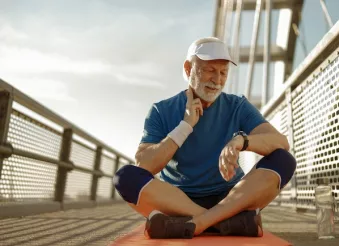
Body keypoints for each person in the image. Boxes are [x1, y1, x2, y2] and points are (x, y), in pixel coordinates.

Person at [114, 37, 296, 239]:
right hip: (176, 200)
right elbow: (144, 164)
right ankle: (225, 222)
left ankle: (199, 222)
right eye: (210, 70)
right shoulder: (161, 110)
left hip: (231, 196)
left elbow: (281, 142)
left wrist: (241, 141)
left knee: (284, 159)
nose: (217, 80)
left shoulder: (237, 105)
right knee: (124, 178)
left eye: (223, 72)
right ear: (187, 68)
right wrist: (185, 126)